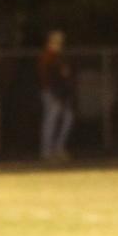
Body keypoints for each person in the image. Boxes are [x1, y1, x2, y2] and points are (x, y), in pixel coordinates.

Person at [38, 30, 74, 160]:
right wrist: (53, 91)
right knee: (51, 120)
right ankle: (47, 151)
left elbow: (65, 74)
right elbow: (47, 76)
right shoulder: (48, 56)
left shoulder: (59, 56)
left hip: (61, 92)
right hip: (51, 92)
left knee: (67, 118)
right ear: (50, 41)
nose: (60, 43)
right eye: (57, 40)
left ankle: (58, 148)